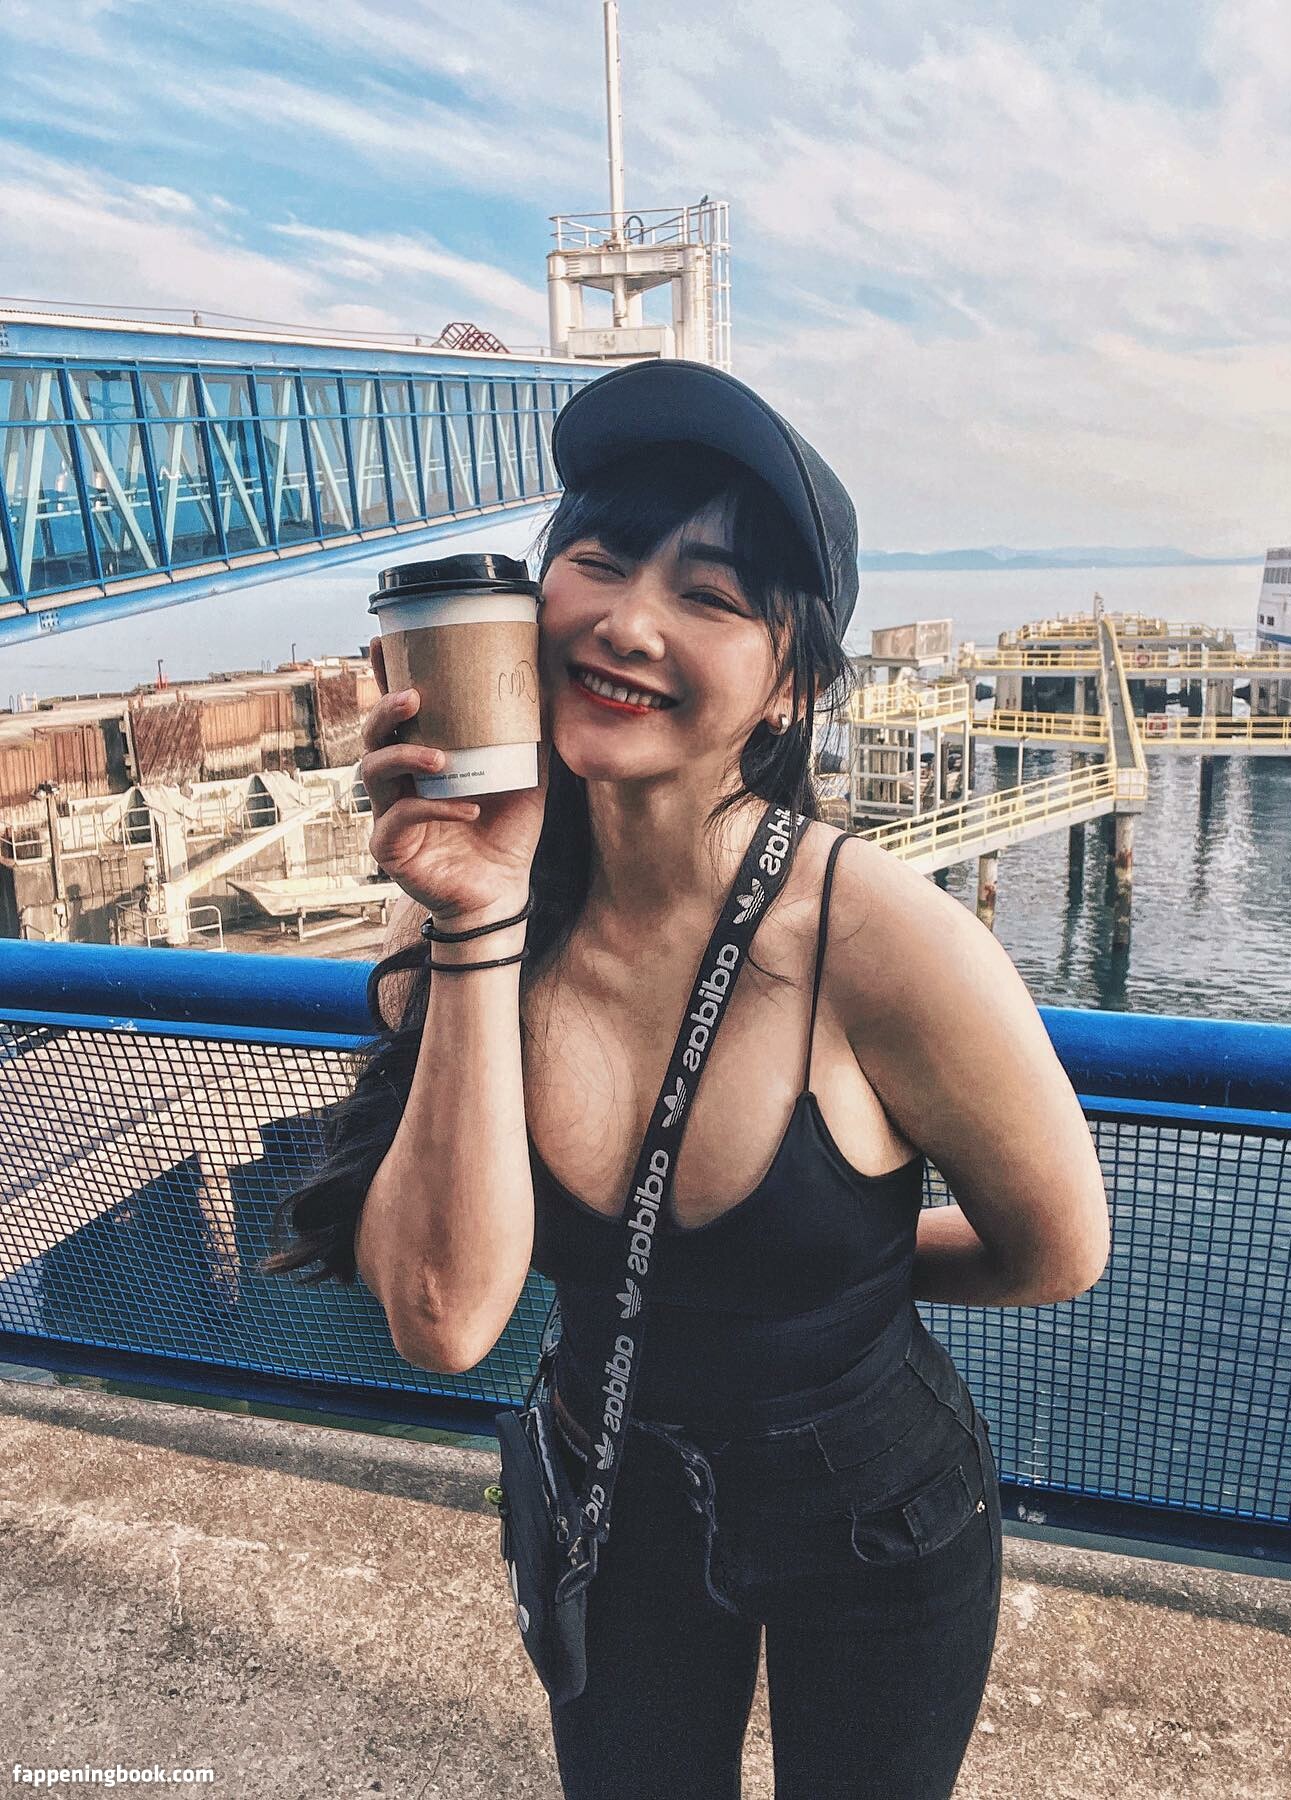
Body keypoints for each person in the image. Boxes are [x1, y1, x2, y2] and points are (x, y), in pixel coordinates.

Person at [264, 359, 1111, 1798]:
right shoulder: (468, 911)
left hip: (880, 1519)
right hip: (615, 1507)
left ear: (791, 685)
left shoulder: (881, 939)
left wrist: (821, 1293)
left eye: (711, 595)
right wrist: (474, 914)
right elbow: (443, 1321)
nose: (628, 620)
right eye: (598, 560)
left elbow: (1058, 1248)